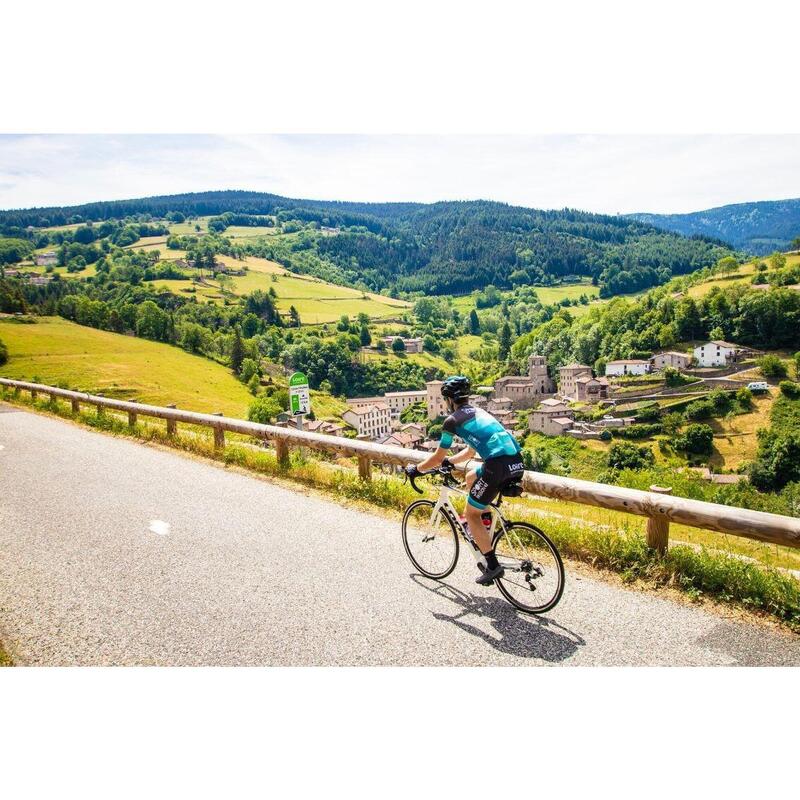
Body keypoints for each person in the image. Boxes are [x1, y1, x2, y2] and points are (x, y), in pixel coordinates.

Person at [406, 376, 524, 585]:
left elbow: (437, 456)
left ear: (450, 400)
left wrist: (416, 469)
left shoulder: (452, 421)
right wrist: (452, 462)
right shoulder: (480, 412)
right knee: (471, 476)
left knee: (470, 514)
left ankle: (492, 566)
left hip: (496, 467)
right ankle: (485, 528)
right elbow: (470, 451)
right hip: (515, 462)